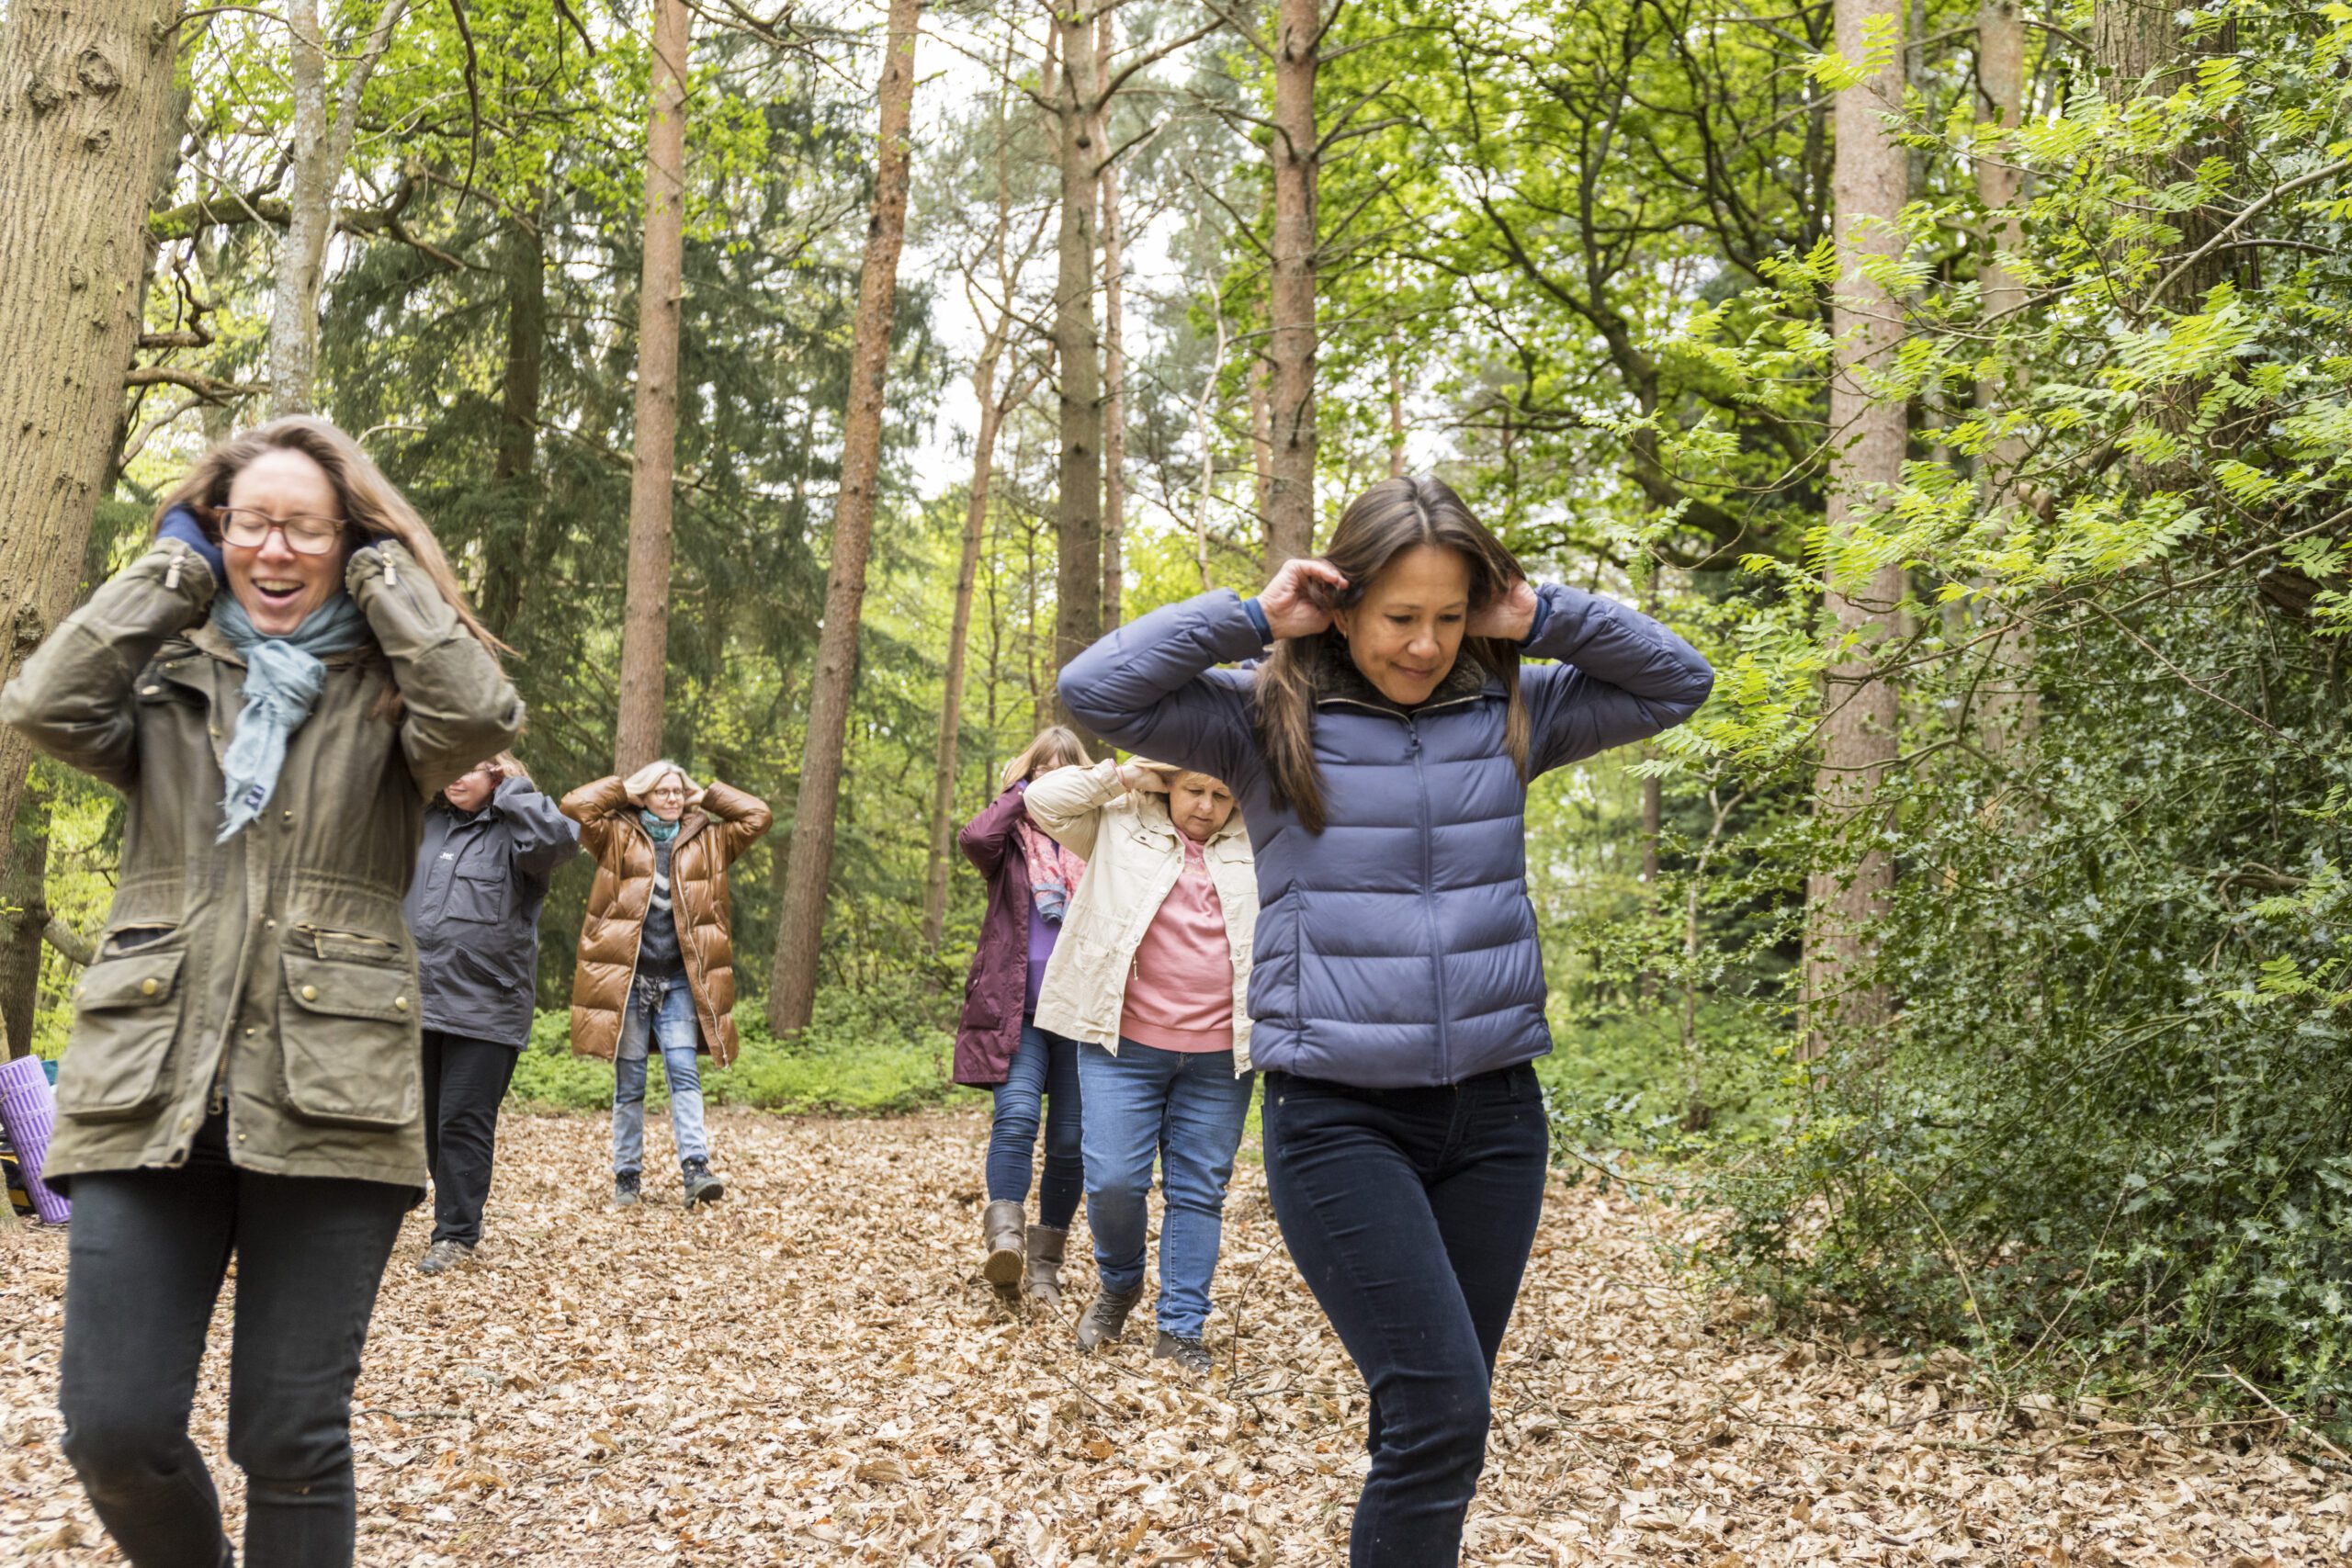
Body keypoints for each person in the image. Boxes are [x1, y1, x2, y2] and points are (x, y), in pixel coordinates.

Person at [1057, 475, 1713, 1562]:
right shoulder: (1261, 723)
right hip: (1339, 1119)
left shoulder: (1514, 708)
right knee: (1443, 1414)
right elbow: (1097, 690)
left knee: (1432, 1421)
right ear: (1344, 605)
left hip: (1495, 1119)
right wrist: (1249, 616)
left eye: (1449, 616)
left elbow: (1677, 682)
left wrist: (1542, 614)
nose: (1422, 644)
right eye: (1399, 616)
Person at [0, 417, 523, 1568]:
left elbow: (482, 718)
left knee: (290, 1437)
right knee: (114, 1430)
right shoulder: (164, 677)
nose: (275, 551)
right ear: (215, 529)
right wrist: (169, 571)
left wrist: (389, 571)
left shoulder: (391, 697)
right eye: (250, 525)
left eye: (306, 529)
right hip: (150, 1092)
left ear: (346, 542)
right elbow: (40, 705)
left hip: (332, 1100)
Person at [1023, 756, 1259, 1374]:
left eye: (1220, 793)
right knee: (1112, 1182)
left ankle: (1180, 1328)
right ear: (1169, 784)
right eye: (1193, 789)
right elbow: (1043, 800)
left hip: (1219, 1056)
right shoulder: (1119, 822)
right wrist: (1123, 775)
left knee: (1198, 1190)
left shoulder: (1261, 836)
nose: (1205, 806)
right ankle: (1120, 1282)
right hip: (1120, 1043)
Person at [564, 759, 771, 1208]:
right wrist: (624, 789)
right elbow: (574, 807)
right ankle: (627, 1177)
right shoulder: (616, 835)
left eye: (679, 791)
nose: (673, 798)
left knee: (684, 1074)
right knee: (631, 1082)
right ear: (644, 797)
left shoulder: (712, 840)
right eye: (663, 791)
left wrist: (707, 795)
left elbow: (758, 816)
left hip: (679, 982)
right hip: (629, 982)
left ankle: (696, 1170)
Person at [404, 750, 579, 1273]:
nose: (457, 775)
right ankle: (424, 1203)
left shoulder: (518, 832)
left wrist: (512, 793)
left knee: (463, 1120)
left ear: (497, 774)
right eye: (449, 765)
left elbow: (558, 840)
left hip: (487, 1003)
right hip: (415, 997)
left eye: (472, 767)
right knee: (428, 1121)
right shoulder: (423, 822)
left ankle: (455, 1234)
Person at [955, 726, 1094, 1304]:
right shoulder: (1007, 840)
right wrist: (1021, 792)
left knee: (1068, 1141)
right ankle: (1005, 1244)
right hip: (1018, 1010)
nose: (1053, 781)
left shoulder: (1098, 837)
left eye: (1067, 771)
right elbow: (973, 836)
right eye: (1044, 770)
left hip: (1083, 1010)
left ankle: (1044, 1266)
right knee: (1014, 1119)